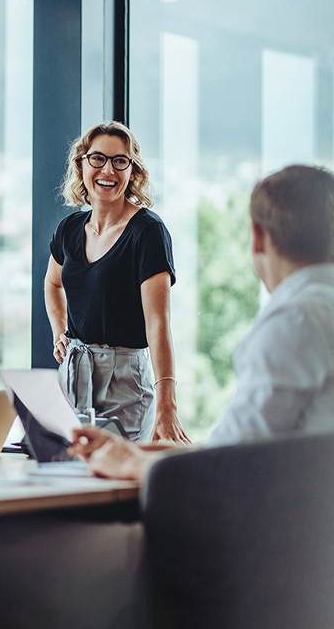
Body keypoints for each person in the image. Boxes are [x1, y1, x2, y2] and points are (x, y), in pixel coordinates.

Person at [71, 164, 334, 481]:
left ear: (258, 238)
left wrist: (129, 463)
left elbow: (228, 465)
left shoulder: (295, 322)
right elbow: (238, 446)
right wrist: (134, 450)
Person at [44, 121, 189, 443]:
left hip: (124, 379)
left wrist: (168, 404)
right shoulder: (69, 229)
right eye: (97, 158)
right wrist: (59, 332)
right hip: (73, 372)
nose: (107, 170)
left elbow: (158, 323)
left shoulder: (147, 231)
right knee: (68, 477)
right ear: (81, 165)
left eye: (119, 161)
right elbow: (53, 284)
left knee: (117, 483)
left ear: (132, 171)